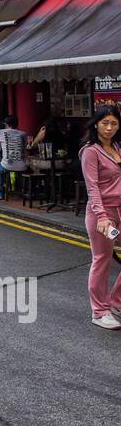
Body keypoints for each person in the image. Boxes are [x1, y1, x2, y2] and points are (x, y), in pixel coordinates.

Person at [80, 104, 121, 329]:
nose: (109, 127)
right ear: (96, 123)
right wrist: (103, 217)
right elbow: (93, 187)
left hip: (119, 211)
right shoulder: (90, 151)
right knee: (102, 260)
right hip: (102, 216)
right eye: (105, 123)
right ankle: (99, 312)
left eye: (114, 123)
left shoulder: (117, 147)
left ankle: (115, 302)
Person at [0, 113, 29, 198]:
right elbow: (25, 148)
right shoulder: (23, 134)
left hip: (7, 165)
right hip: (23, 166)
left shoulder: (1, 132)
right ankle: (22, 190)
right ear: (17, 124)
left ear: (6, 124)